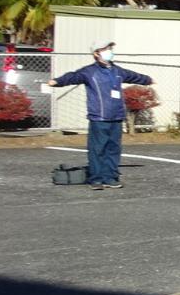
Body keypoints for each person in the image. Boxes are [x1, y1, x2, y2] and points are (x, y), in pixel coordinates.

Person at [45, 42, 154, 190]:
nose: (109, 51)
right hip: (99, 117)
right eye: (105, 49)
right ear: (96, 53)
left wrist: (147, 80)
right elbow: (73, 76)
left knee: (113, 149)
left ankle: (110, 177)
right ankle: (96, 179)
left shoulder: (117, 71)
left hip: (116, 117)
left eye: (110, 49)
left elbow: (133, 76)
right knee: (97, 149)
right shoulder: (89, 72)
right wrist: (57, 81)